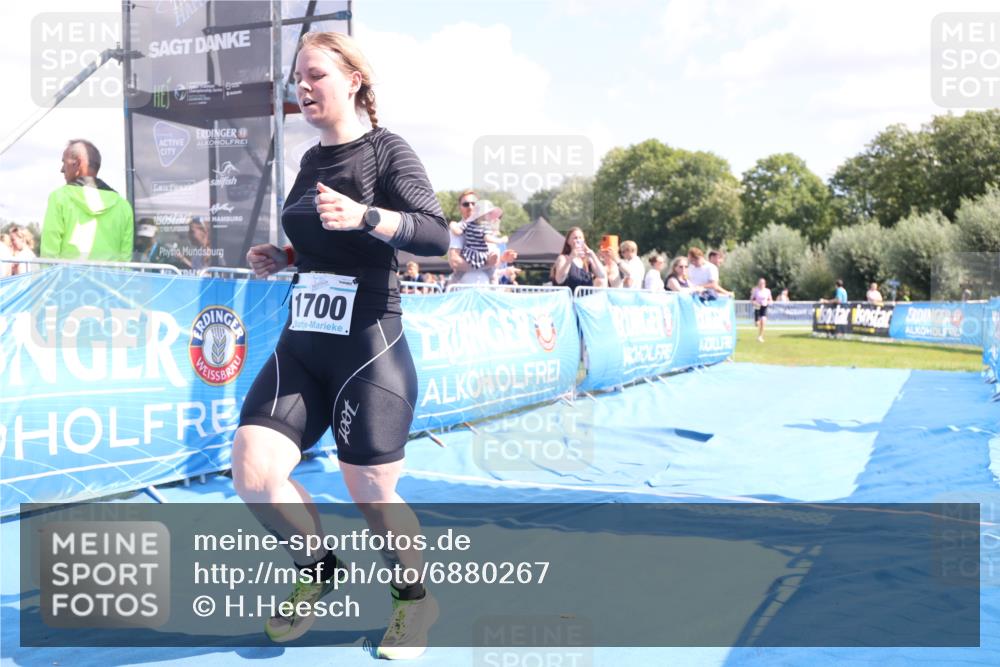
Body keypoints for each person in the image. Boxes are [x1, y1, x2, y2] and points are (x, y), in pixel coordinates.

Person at [236, 31, 448, 660]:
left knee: (372, 494)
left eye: (316, 75)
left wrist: (367, 217)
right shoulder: (309, 160)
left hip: (368, 346)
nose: (303, 87)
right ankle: (318, 567)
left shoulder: (387, 150)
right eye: (297, 78)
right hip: (304, 344)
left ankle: (414, 599)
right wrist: (285, 257)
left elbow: (436, 235)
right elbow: (322, 241)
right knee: (253, 472)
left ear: (354, 80)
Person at [40, 139, 134, 262]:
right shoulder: (123, 206)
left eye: (64, 162)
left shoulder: (59, 198)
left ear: (77, 164)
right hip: (110, 275)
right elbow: (125, 260)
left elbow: (49, 255)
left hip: (69, 274)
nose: (62, 169)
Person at [447, 189, 516, 285]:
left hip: (485, 290)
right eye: (466, 204)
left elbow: (494, 262)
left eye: (474, 203)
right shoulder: (458, 227)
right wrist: (485, 264)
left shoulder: (487, 229)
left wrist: (502, 259)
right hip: (464, 290)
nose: (470, 207)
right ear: (460, 208)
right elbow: (455, 262)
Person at [448, 199, 507, 270]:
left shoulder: (468, 223)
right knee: (489, 265)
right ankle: (491, 261)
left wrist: (452, 225)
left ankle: (491, 260)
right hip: (480, 254)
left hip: (468, 253)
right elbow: (487, 238)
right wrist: (500, 240)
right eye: (489, 214)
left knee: (461, 270)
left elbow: (458, 231)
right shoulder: (485, 227)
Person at [750, 277, 773, 342]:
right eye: (760, 283)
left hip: (764, 307)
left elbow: (770, 300)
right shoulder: (755, 290)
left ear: (765, 284)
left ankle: (760, 336)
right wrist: (755, 303)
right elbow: (751, 300)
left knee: (763, 321)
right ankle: (756, 322)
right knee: (757, 324)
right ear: (758, 283)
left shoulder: (767, 291)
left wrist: (769, 302)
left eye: (763, 283)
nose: (761, 284)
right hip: (757, 307)